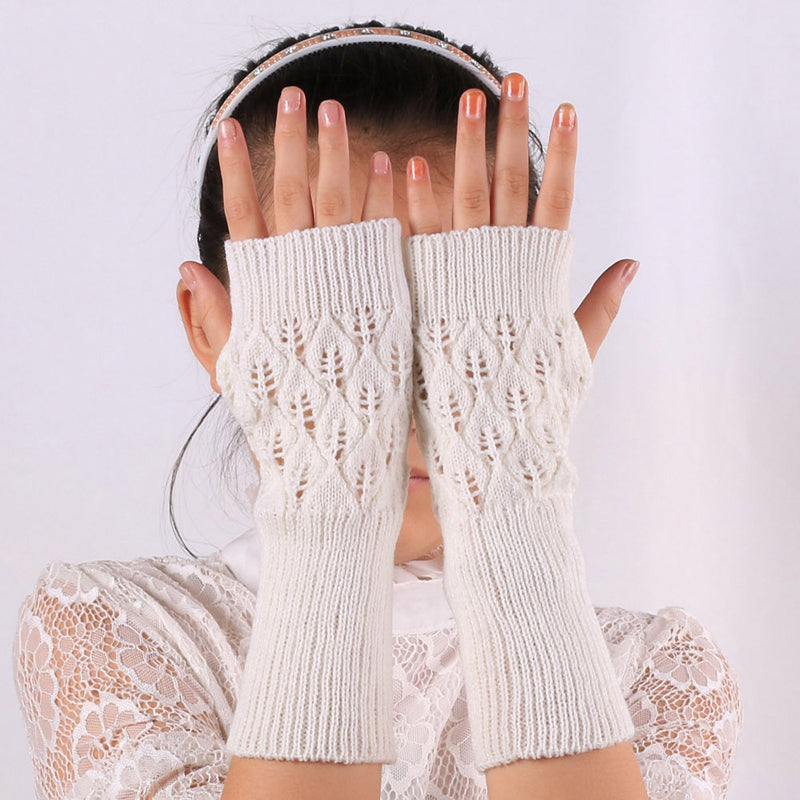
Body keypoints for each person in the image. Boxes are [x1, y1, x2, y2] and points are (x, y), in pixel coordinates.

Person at [12, 19, 743, 800]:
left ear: (536, 345)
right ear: (209, 330)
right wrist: (330, 513)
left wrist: (510, 510)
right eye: (334, 327)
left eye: (457, 328)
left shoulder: (658, 674)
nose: (390, 397)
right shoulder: (114, 630)